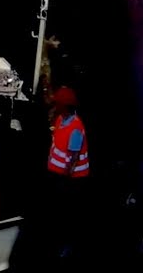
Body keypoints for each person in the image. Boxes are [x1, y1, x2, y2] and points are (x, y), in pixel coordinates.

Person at [45, 85, 90, 263]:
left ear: (65, 107)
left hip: (72, 179)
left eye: (58, 104)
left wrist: (65, 179)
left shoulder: (76, 129)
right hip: (59, 176)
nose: (56, 106)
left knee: (68, 214)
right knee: (60, 210)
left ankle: (67, 246)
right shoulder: (61, 120)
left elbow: (72, 158)